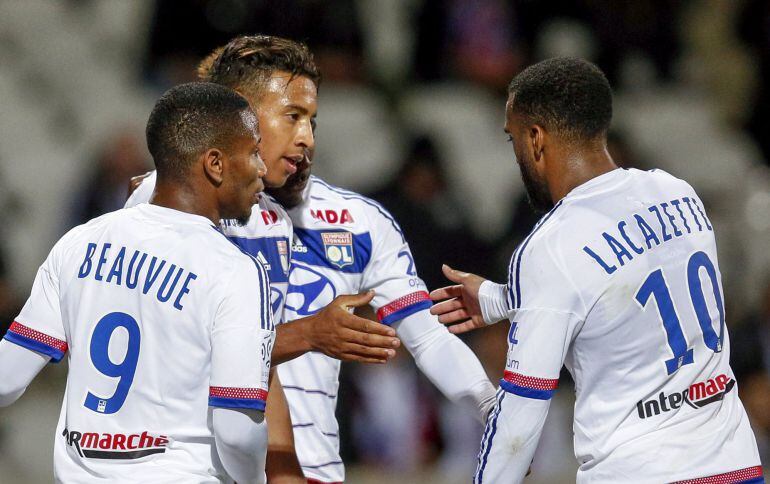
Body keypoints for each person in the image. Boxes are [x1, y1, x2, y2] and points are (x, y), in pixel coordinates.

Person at [131, 34, 498, 483]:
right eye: (292, 117)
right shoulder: (168, 206)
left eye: (312, 121)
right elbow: (175, 347)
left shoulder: (361, 222)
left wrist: (490, 407)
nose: (306, 138)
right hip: (198, 469)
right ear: (236, 117)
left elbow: (428, 339)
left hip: (312, 471)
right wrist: (309, 333)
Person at [430, 58, 764, 483]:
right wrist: (501, 299)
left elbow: (520, 413)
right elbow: (622, 282)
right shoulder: (678, 194)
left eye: (511, 137)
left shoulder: (552, 244)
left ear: (535, 139)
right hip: (735, 465)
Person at [0, 82, 274, 483]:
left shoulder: (78, 243)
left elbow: (6, 378)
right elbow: (235, 431)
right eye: (252, 153)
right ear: (215, 164)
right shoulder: (234, 270)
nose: (262, 168)